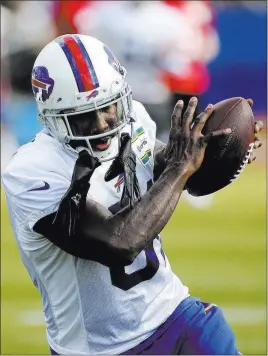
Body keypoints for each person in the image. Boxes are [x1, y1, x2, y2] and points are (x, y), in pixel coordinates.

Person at [1, 34, 263, 355]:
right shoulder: (32, 172)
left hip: (176, 315)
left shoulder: (133, 118)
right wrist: (182, 167)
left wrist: (211, 150)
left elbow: (164, 165)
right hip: (98, 349)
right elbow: (117, 244)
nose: (101, 125)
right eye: (82, 116)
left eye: (108, 107)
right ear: (52, 118)